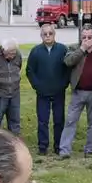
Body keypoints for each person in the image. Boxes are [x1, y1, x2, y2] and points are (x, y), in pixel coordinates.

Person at [60, 25, 92, 159]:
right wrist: (82, 49)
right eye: (84, 37)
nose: (86, 40)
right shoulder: (74, 48)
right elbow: (68, 62)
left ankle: (90, 149)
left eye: (89, 37)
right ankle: (64, 150)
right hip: (78, 92)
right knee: (70, 121)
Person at [26, 25, 69, 155]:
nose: (48, 36)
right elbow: (30, 71)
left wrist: (63, 84)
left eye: (50, 33)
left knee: (59, 120)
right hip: (42, 93)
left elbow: (68, 69)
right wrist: (37, 85)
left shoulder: (62, 49)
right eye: (45, 34)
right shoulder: (36, 51)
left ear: (54, 34)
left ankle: (58, 146)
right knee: (43, 120)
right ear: (41, 36)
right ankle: (43, 146)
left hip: (58, 92)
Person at [0, 39, 22, 135]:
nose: (12, 56)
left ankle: (15, 142)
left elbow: (19, 66)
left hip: (15, 93)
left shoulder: (17, 54)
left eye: (14, 53)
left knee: (15, 120)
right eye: (9, 53)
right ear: (2, 50)